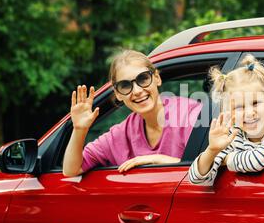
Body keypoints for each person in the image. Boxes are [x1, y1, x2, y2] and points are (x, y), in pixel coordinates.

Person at [62, 49, 202, 176]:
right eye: (125, 85)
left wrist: (157, 160)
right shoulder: (121, 133)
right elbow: (71, 170)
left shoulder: (190, 114)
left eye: (143, 79)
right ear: (118, 94)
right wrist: (79, 129)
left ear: (157, 78)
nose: (137, 91)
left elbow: (215, 162)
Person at [188, 54, 264, 186]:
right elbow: (196, 179)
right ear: (229, 111)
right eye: (239, 107)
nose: (249, 113)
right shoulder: (234, 135)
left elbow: (257, 160)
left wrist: (226, 159)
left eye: (255, 103)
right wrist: (212, 150)